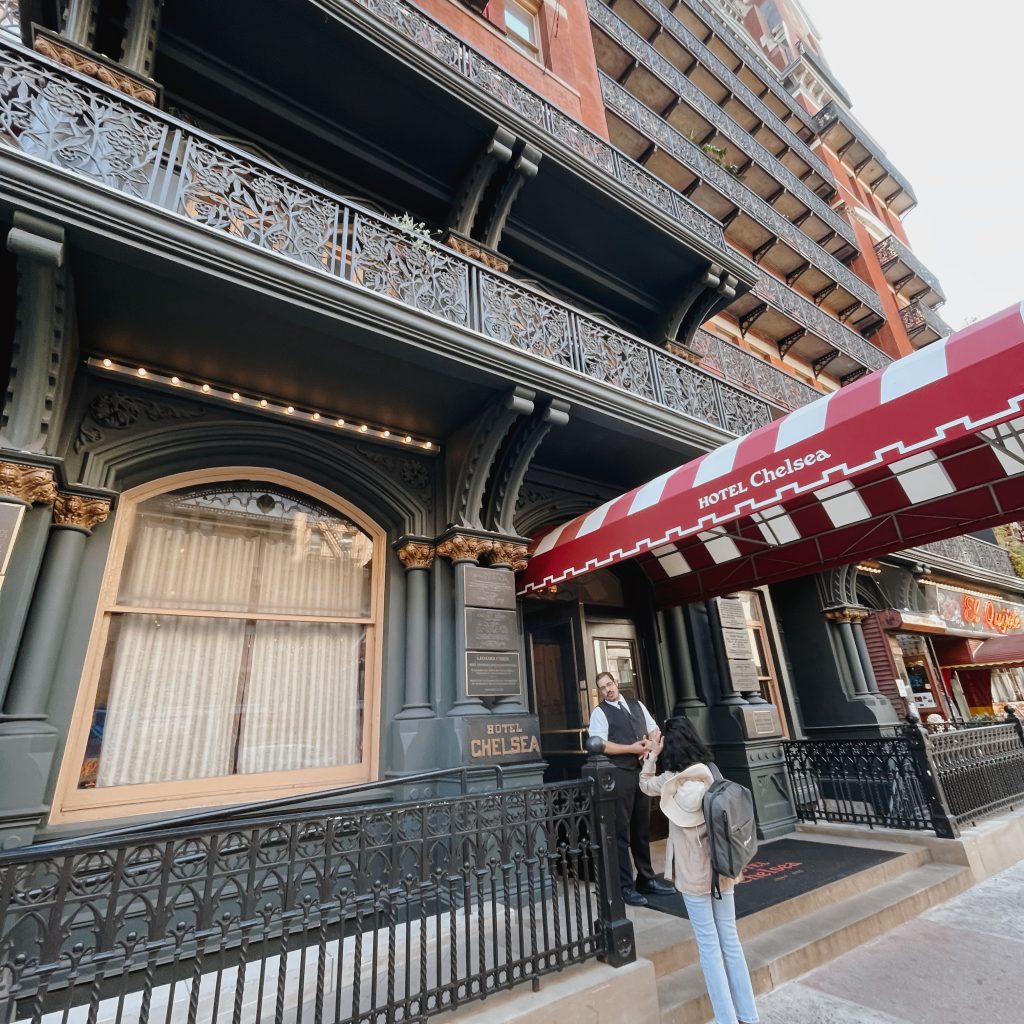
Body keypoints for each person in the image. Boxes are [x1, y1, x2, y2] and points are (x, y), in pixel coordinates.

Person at [640, 717, 759, 1024]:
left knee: (709, 948)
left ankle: (726, 1018)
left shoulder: (669, 781)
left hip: (693, 875)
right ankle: (748, 1014)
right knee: (730, 941)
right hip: (722, 868)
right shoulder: (711, 774)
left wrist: (652, 755)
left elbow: (644, 784)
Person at [587, 671, 675, 906]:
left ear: (616, 682)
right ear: (600, 692)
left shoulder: (636, 704)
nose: (608, 690)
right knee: (621, 832)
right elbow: (600, 745)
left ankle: (646, 879)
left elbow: (654, 727)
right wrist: (632, 748)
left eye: (609, 684)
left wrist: (651, 742)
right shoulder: (600, 713)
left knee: (641, 829)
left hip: (642, 773)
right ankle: (625, 886)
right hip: (619, 776)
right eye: (602, 688)